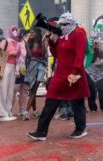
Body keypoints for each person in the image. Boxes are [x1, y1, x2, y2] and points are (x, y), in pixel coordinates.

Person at [28, 13, 89, 141]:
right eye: (61, 24)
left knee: (77, 102)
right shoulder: (63, 36)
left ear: (72, 24)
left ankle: (80, 129)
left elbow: (80, 55)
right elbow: (57, 52)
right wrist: (50, 39)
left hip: (74, 74)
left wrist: (75, 72)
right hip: (61, 75)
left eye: (65, 24)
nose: (62, 26)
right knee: (50, 101)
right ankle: (41, 132)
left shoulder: (78, 34)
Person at [0, 25, 23, 121]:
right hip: (4, 65)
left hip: (13, 66)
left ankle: (8, 111)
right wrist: (11, 53)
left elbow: (19, 55)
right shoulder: (5, 41)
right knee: (2, 89)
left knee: (10, 90)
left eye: (16, 30)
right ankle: (2, 113)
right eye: (13, 30)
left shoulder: (17, 42)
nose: (15, 31)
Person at [23, 28, 49, 120]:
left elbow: (43, 54)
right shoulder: (30, 43)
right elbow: (30, 55)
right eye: (30, 32)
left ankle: (26, 112)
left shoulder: (42, 41)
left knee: (34, 88)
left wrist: (45, 42)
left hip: (41, 65)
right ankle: (34, 112)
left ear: (37, 33)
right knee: (32, 89)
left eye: (32, 32)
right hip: (32, 66)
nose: (30, 34)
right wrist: (26, 44)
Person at [86, 36, 103, 113]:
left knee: (101, 89)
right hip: (89, 72)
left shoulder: (100, 50)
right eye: (91, 45)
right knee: (92, 90)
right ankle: (92, 107)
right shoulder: (87, 52)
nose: (93, 46)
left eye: (94, 44)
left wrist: (101, 62)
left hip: (100, 72)